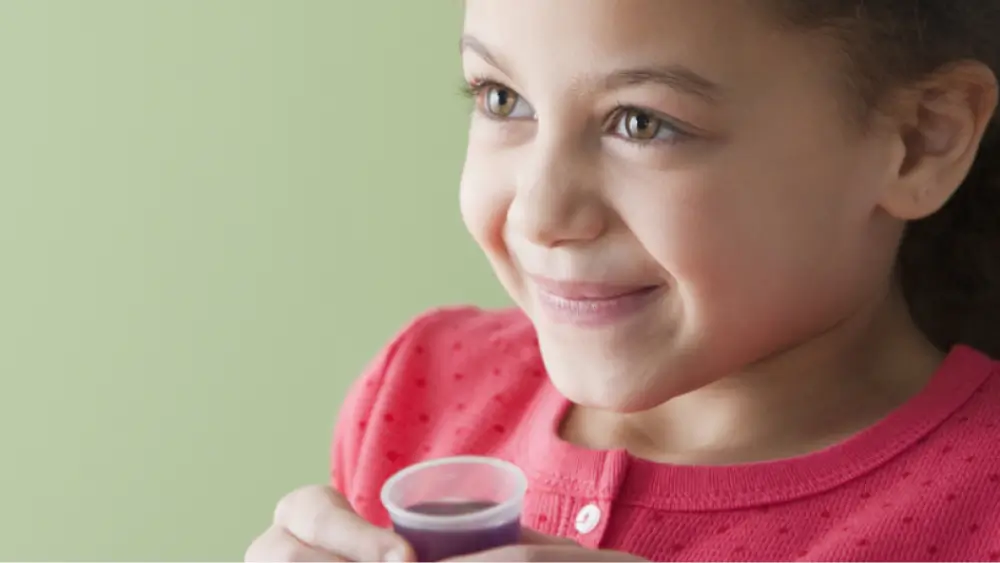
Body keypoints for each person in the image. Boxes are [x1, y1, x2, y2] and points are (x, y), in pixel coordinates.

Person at [245, 0, 1000, 561]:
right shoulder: (424, 388)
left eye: (642, 122)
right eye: (501, 98)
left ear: (918, 140)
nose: (541, 213)